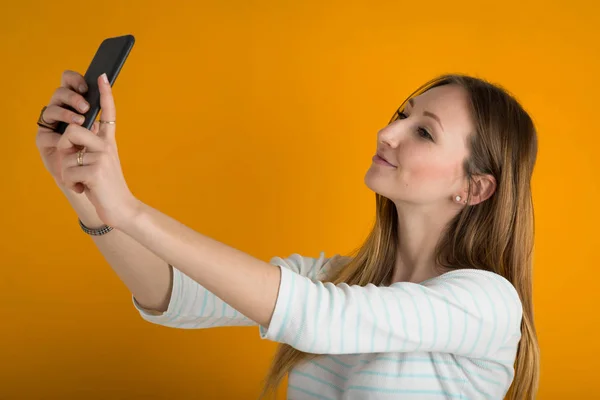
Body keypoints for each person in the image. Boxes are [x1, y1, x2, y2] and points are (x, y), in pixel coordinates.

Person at [35, 70, 540, 399]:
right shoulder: (337, 279)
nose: (389, 133)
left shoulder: (486, 301)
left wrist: (129, 208)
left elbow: (314, 318)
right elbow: (172, 293)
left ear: (474, 188)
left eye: (423, 132)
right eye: (402, 115)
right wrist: (83, 192)